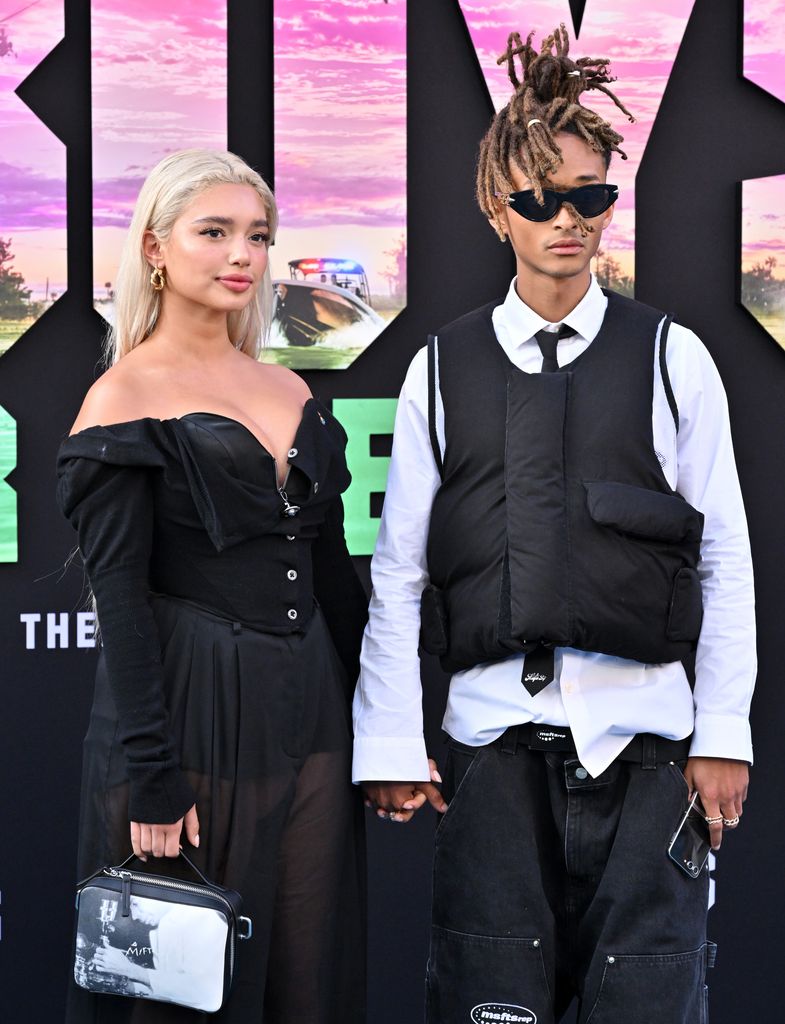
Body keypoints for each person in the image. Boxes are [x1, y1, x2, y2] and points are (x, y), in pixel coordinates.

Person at [352, 26, 754, 1024]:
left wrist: (723, 729)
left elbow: (723, 556)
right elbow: (398, 569)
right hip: (492, 755)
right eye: (539, 198)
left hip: (650, 758)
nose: (565, 218)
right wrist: (391, 738)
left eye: (589, 194)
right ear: (498, 210)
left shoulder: (673, 358)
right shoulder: (438, 370)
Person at [58, 148, 367, 1023]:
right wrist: (149, 774)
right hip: (189, 713)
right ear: (155, 248)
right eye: (215, 232)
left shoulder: (287, 385)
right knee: (186, 997)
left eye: (258, 236)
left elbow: (334, 582)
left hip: (311, 708)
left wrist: (385, 723)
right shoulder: (123, 396)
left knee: (304, 980)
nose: (242, 254)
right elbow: (119, 599)